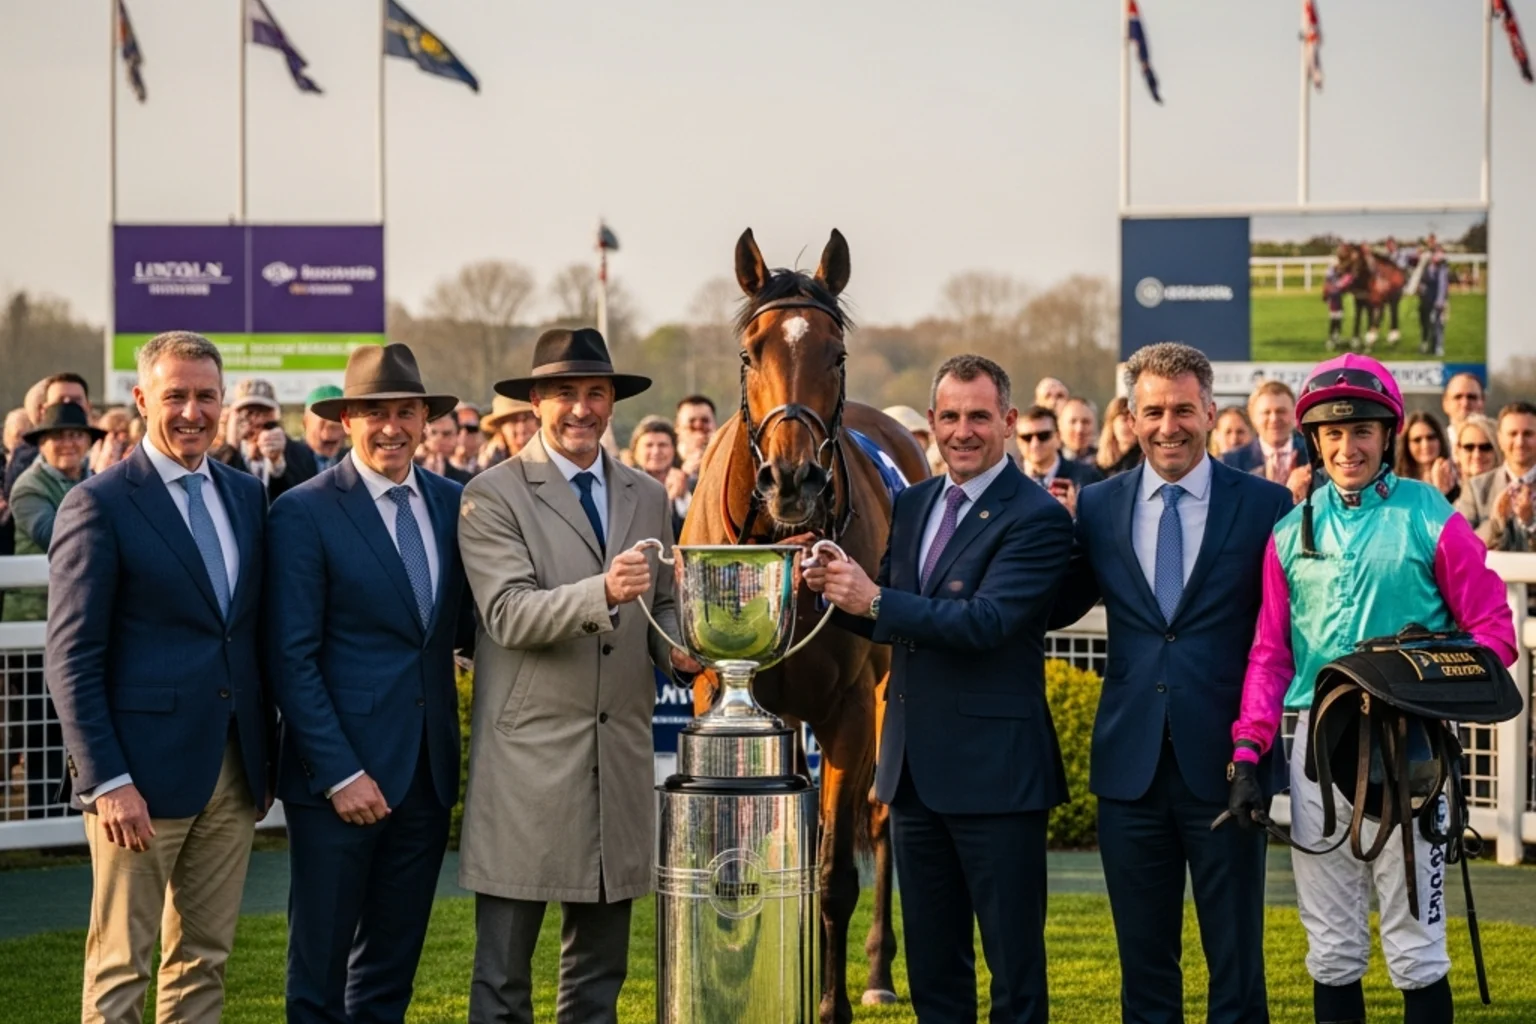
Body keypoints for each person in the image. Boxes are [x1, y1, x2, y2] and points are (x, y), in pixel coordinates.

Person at [1228, 353, 1516, 1024]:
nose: (1347, 446)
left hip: (1409, 747)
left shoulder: (1430, 515)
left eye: (1362, 430)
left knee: (1415, 947)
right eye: (1332, 433)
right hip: (1314, 750)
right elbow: (1271, 658)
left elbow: (1493, 633)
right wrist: (1248, 751)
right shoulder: (1285, 536)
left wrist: (1415, 672)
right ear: (1314, 441)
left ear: (1387, 435)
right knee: (1331, 948)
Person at [806, 353, 1071, 1024]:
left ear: (1008, 422)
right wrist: (832, 583)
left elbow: (986, 623)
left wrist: (869, 599)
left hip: (998, 780)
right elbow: (887, 613)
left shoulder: (1037, 517)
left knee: (1014, 980)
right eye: (949, 416)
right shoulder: (916, 503)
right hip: (913, 781)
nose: (963, 431)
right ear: (929, 423)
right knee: (933, 978)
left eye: (979, 416)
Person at [457, 328, 696, 1024]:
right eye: (566, 394)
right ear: (536, 402)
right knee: (502, 984)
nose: (582, 409)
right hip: (527, 766)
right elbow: (507, 614)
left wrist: (680, 649)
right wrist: (603, 593)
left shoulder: (646, 494)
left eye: (596, 394)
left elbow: (663, 605)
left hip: (617, 764)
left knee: (599, 983)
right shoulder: (490, 494)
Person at [1050, 342, 1292, 1024]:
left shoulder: (1266, 506)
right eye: (1152, 411)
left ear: (1211, 411)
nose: (1168, 426)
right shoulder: (1097, 507)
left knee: (1237, 967)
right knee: (1145, 971)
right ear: (1129, 416)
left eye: (1184, 409)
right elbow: (1048, 602)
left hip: (1227, 768)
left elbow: (1283, 637)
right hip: (1129, 770)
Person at [46, 331, 273, 1024]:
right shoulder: (98, 504)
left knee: (203, 956)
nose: (193, 412)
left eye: (207, 395)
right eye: (176, 395)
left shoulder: (244, 496)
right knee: (121, 964)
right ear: (143, 399)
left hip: (233, 772)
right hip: (136, 782)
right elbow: (70, 656)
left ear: (224, 400)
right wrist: (107, 781)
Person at [266, 344, 474, 1024]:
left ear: (424, 418)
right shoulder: (303, 511)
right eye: (375, 412)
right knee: (319, 981)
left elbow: (474, 626)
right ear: (347, 420)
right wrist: (338, 773)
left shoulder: (453, 504)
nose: (393, 427)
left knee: (389, 980)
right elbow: (291, 657)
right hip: (338, 782)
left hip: (425, 775)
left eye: (406, 412)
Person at [6, 402, 105, 822]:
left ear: (87, 442)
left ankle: (69, 816)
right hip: (33, 624)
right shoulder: (29, 488)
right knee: (38, 726)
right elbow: (56, 538)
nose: (69, 442)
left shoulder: (96, 482)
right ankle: (42, 819)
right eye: (58, 436)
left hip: (81, 621)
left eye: (77, 435)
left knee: (74, 724)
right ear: (42, 444)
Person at [1456, 401, 1536, 552]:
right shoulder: (1476, 488)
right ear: (1499, 438)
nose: (1519, 442)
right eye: (1513, 434)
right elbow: (1461, 545)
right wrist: (1496, 522)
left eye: (1528, 434)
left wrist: (1531, 523)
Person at [226, 378, 318, 499]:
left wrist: (277, 463)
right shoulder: (222, 454)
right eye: (248, 412)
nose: (256, 420)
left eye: (263, 411)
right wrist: (232, 447)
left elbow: (304, 495)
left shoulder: (299, 453)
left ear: (275, 415)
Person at [1222, 380, 1311, 504]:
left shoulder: (1315, 457)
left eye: (1281, 411)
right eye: (1266, 412)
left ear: (1294, 414)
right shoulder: (1229, 464)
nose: (1274, 419)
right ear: (1252, 416)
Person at [5, 372, 92, 498]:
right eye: (60, 400)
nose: (67, 406)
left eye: (75, 401)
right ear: (43, 410)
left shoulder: (93, 473)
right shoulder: (26, 467)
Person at [1015, 403, 1102, 517]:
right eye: (1027, 437)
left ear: (1058, 437)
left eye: (1043, 436)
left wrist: (1075, 516)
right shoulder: (1008, 480)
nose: (1035, 444)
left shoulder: (1087, 478)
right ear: (1018, 441)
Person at [628, 416, 689, 537]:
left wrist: (682, 498)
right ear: (635, 451)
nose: (656, 451)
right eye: (649, 445)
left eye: (662, 445)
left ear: (674, 450)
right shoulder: (621, 486)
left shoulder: (690, 486)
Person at [1394, 411, 1459, 503]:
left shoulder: (1457, 478)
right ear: (1407, 444)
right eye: (1417, 440)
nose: (1425, 445)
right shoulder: (1396, 483)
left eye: (1431, 437)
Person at [479, 394, 539, 470]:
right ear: (501, 428)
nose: (521, 428)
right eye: (513, 420)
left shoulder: (555, 462)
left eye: (528, 417)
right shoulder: (488, 465)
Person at [300, 385, 349, 471]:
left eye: (338, 424)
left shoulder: (351, 461)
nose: (329, 435)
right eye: (323, 423)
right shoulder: (289, 459)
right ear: (305, 423)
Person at [418, 411, 473, 484]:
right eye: (433, 432)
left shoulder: (465, 479)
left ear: (459, 435)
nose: (438, 439)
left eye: (447, 434)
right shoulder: (407, 467)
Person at [1096, 396, 1144, 477]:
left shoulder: (1144, 460)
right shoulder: (1097, 464)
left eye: (1134, 419)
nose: (1130, 425)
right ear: (1112, 424)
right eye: (1125, 419)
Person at [673, 394, 717, 480]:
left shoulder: (727, 456)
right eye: (692, 421)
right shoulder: (665, 458)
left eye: (705, 420)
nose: (698, 425)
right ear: (677, 427)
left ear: (715, 425)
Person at [1417, 247, 1450, 357]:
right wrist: (1421, 287)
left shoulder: (1442, 269)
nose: (1437, 257)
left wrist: (1440, 301)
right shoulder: (1427, 268)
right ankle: (1428, 345)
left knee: (1438, 324)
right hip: (1426, 300)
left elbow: (1442, 287)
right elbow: (1423, 281)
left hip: (1438, 301)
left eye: (1440, 255)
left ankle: (1438, 347)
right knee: (1427, 323)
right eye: (1436, 254)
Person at [1450, 413, 1501, 485]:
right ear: (1458, 451)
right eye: (1469, 447)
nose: (1477, 455)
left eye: (1485, 447)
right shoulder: (1444, 493)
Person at [1440, 373, 1485, 446]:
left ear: (1483, 402)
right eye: (1458, 397)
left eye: (1471, 397)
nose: (1465, 403)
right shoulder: (1437, 446)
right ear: (1445, 404)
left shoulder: (1498, 444)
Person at [1060, 396, 1100, 464]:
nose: (1079, 429)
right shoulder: (1050, 464)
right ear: (1060, 426)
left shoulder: (1107, 464)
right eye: (1073, 422)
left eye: (1085, 422)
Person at [452, 402, 485, 478]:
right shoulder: (437, 466)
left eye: (471, 429)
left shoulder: (486, 466)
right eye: (459, 428)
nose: (464, 434)